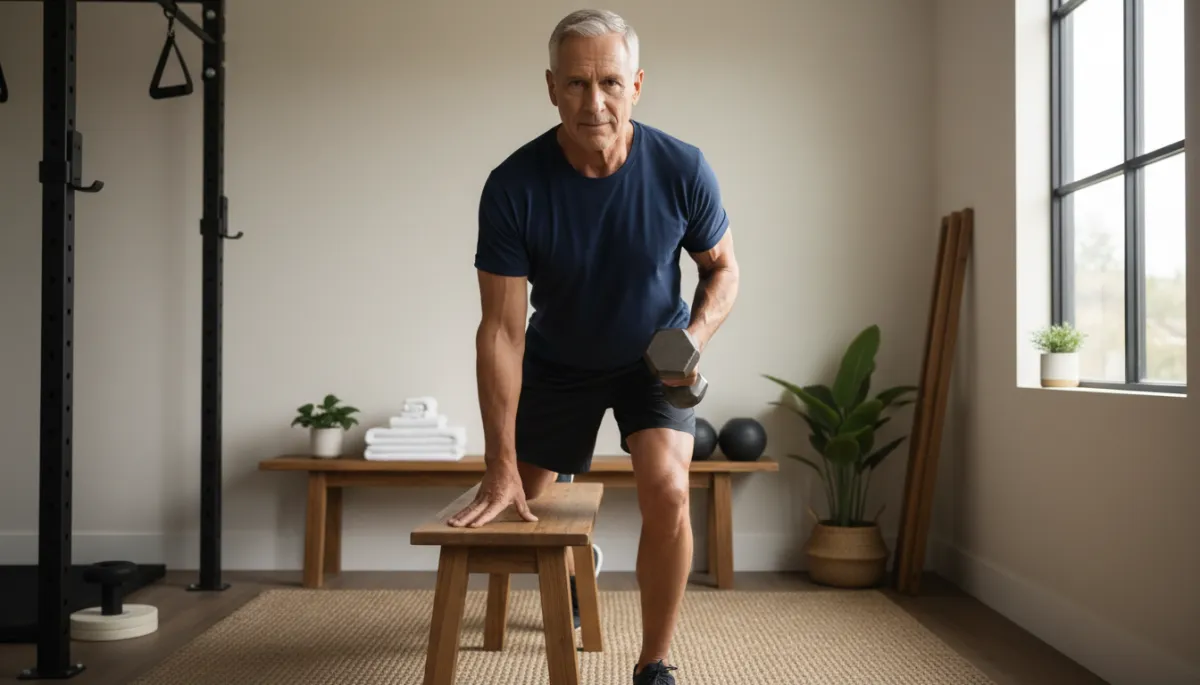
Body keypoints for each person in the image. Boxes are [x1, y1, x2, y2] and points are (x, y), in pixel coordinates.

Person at [447, 8, 740, 684]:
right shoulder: (514, 185)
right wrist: (500, 460)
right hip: (559, 362)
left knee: (668, 490)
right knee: (519, 504)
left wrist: (689, 340)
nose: (594, 101)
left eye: (609, 82)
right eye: (576, 84)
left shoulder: (682, 168)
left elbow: (722, 268)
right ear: (551, 87)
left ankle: (654, 661)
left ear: (636, 83)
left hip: (652, 360)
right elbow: (501, 330)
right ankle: (578, 569)